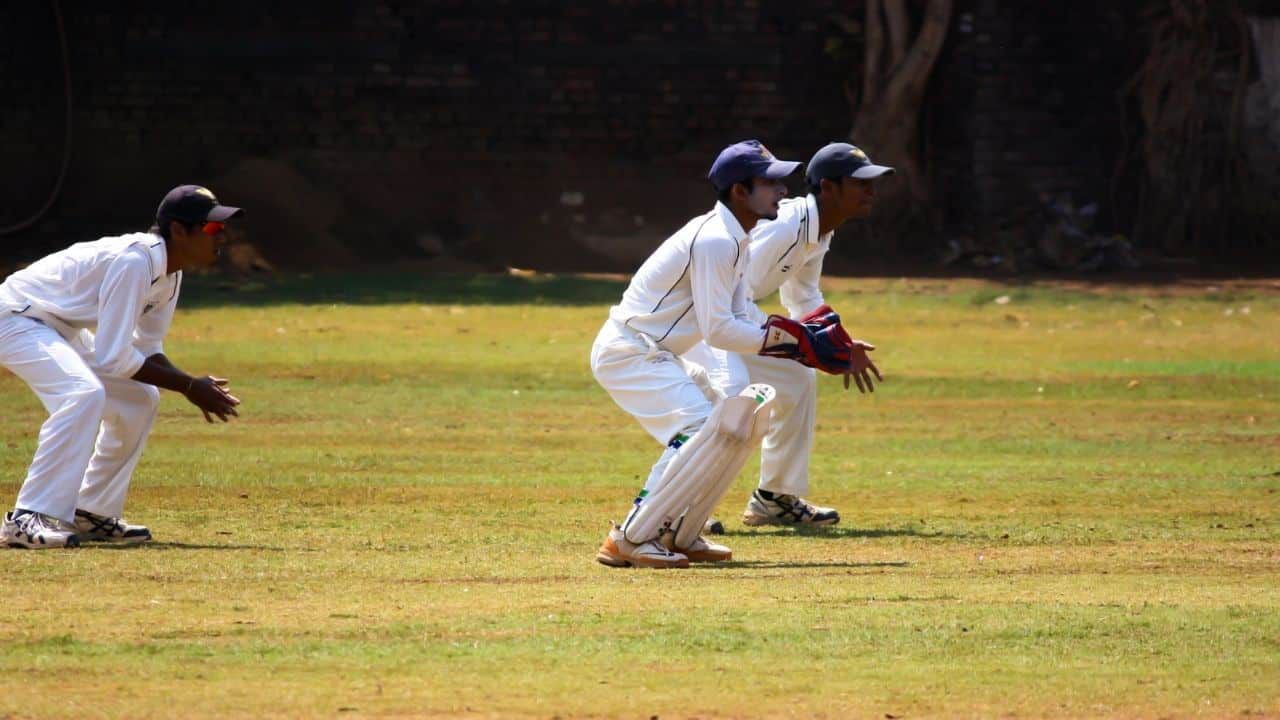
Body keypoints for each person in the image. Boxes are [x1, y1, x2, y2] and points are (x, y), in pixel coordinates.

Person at [591, 140, 856, 568]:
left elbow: (736, 316)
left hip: (659, 353)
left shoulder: (740, 239)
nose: (782, 191)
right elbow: (718, 329)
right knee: (700, 427)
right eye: (770, 183)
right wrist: (794, 342)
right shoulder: (716, 241)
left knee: (735, 422)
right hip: (631, 351)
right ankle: (630, 537)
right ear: (739, 191)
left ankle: (684, 532)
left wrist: (794, 341)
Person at [0, 185, 244, 548]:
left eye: (221, 227)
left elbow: (146, 347)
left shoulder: (170, 274)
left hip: (58, 327)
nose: (221, 235)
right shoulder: (135, 261)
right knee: (81, 394)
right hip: (16, 316)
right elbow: (114, 356)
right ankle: (26, 518)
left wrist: (189, 386)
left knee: (140, 398)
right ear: (179, 230)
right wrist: (190, 386)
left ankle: (90, 511)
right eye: (210, 228)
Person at [684, 142, 890, 528]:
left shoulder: (819, 231)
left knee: (796, 378)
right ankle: (682, 507)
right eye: (860, 183)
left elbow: (802, 295)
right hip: (707, 322)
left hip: (740, 318)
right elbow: (732, 284)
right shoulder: (786, 225)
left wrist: (839, 345)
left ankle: (774, 497)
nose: (870, 192)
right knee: (729, 399)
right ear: (828, 188)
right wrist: (792, 340)